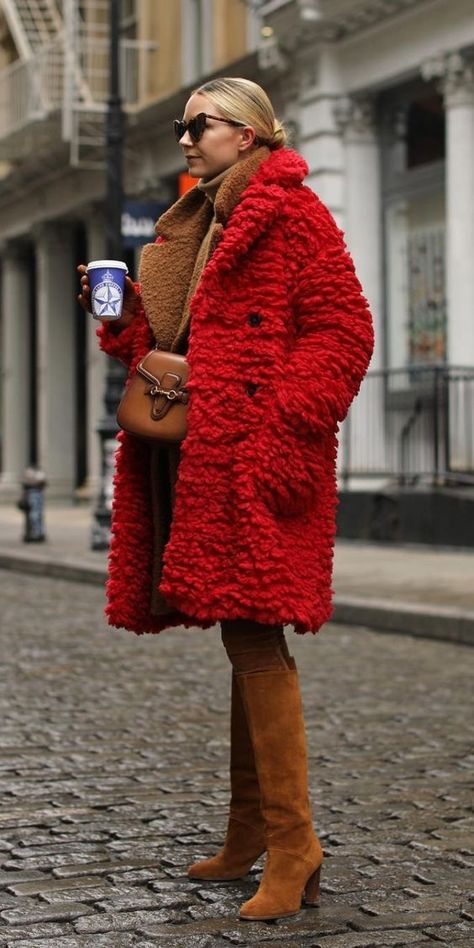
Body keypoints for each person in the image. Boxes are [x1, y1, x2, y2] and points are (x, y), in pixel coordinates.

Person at [78, 76, 374, 921]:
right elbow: (168, 346)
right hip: (195, 458)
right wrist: (122, 317)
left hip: (253, 459)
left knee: (254, 639)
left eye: (197, 125)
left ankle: (296, 845)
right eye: (180, 125)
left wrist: (281, 429)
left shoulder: (292, 215)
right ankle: (252, 832)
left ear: (246, 134)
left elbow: (345, 331)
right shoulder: (199, 221)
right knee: (243, 642)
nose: (183, 137)